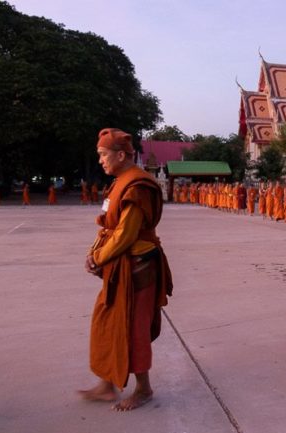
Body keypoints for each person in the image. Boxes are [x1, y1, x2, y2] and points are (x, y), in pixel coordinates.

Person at [79, 128, 173, 411]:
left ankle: (144, 389)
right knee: (107, 323)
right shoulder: (120, 182)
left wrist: (100, 258)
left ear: (121, 155)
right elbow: (109, 227)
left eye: (103, 155)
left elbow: (125, 234)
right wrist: (93, 252)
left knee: (133, 329)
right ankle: (107, 383)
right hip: (119, 266)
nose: (100, 161)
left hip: (138, 269)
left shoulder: (137, 186)